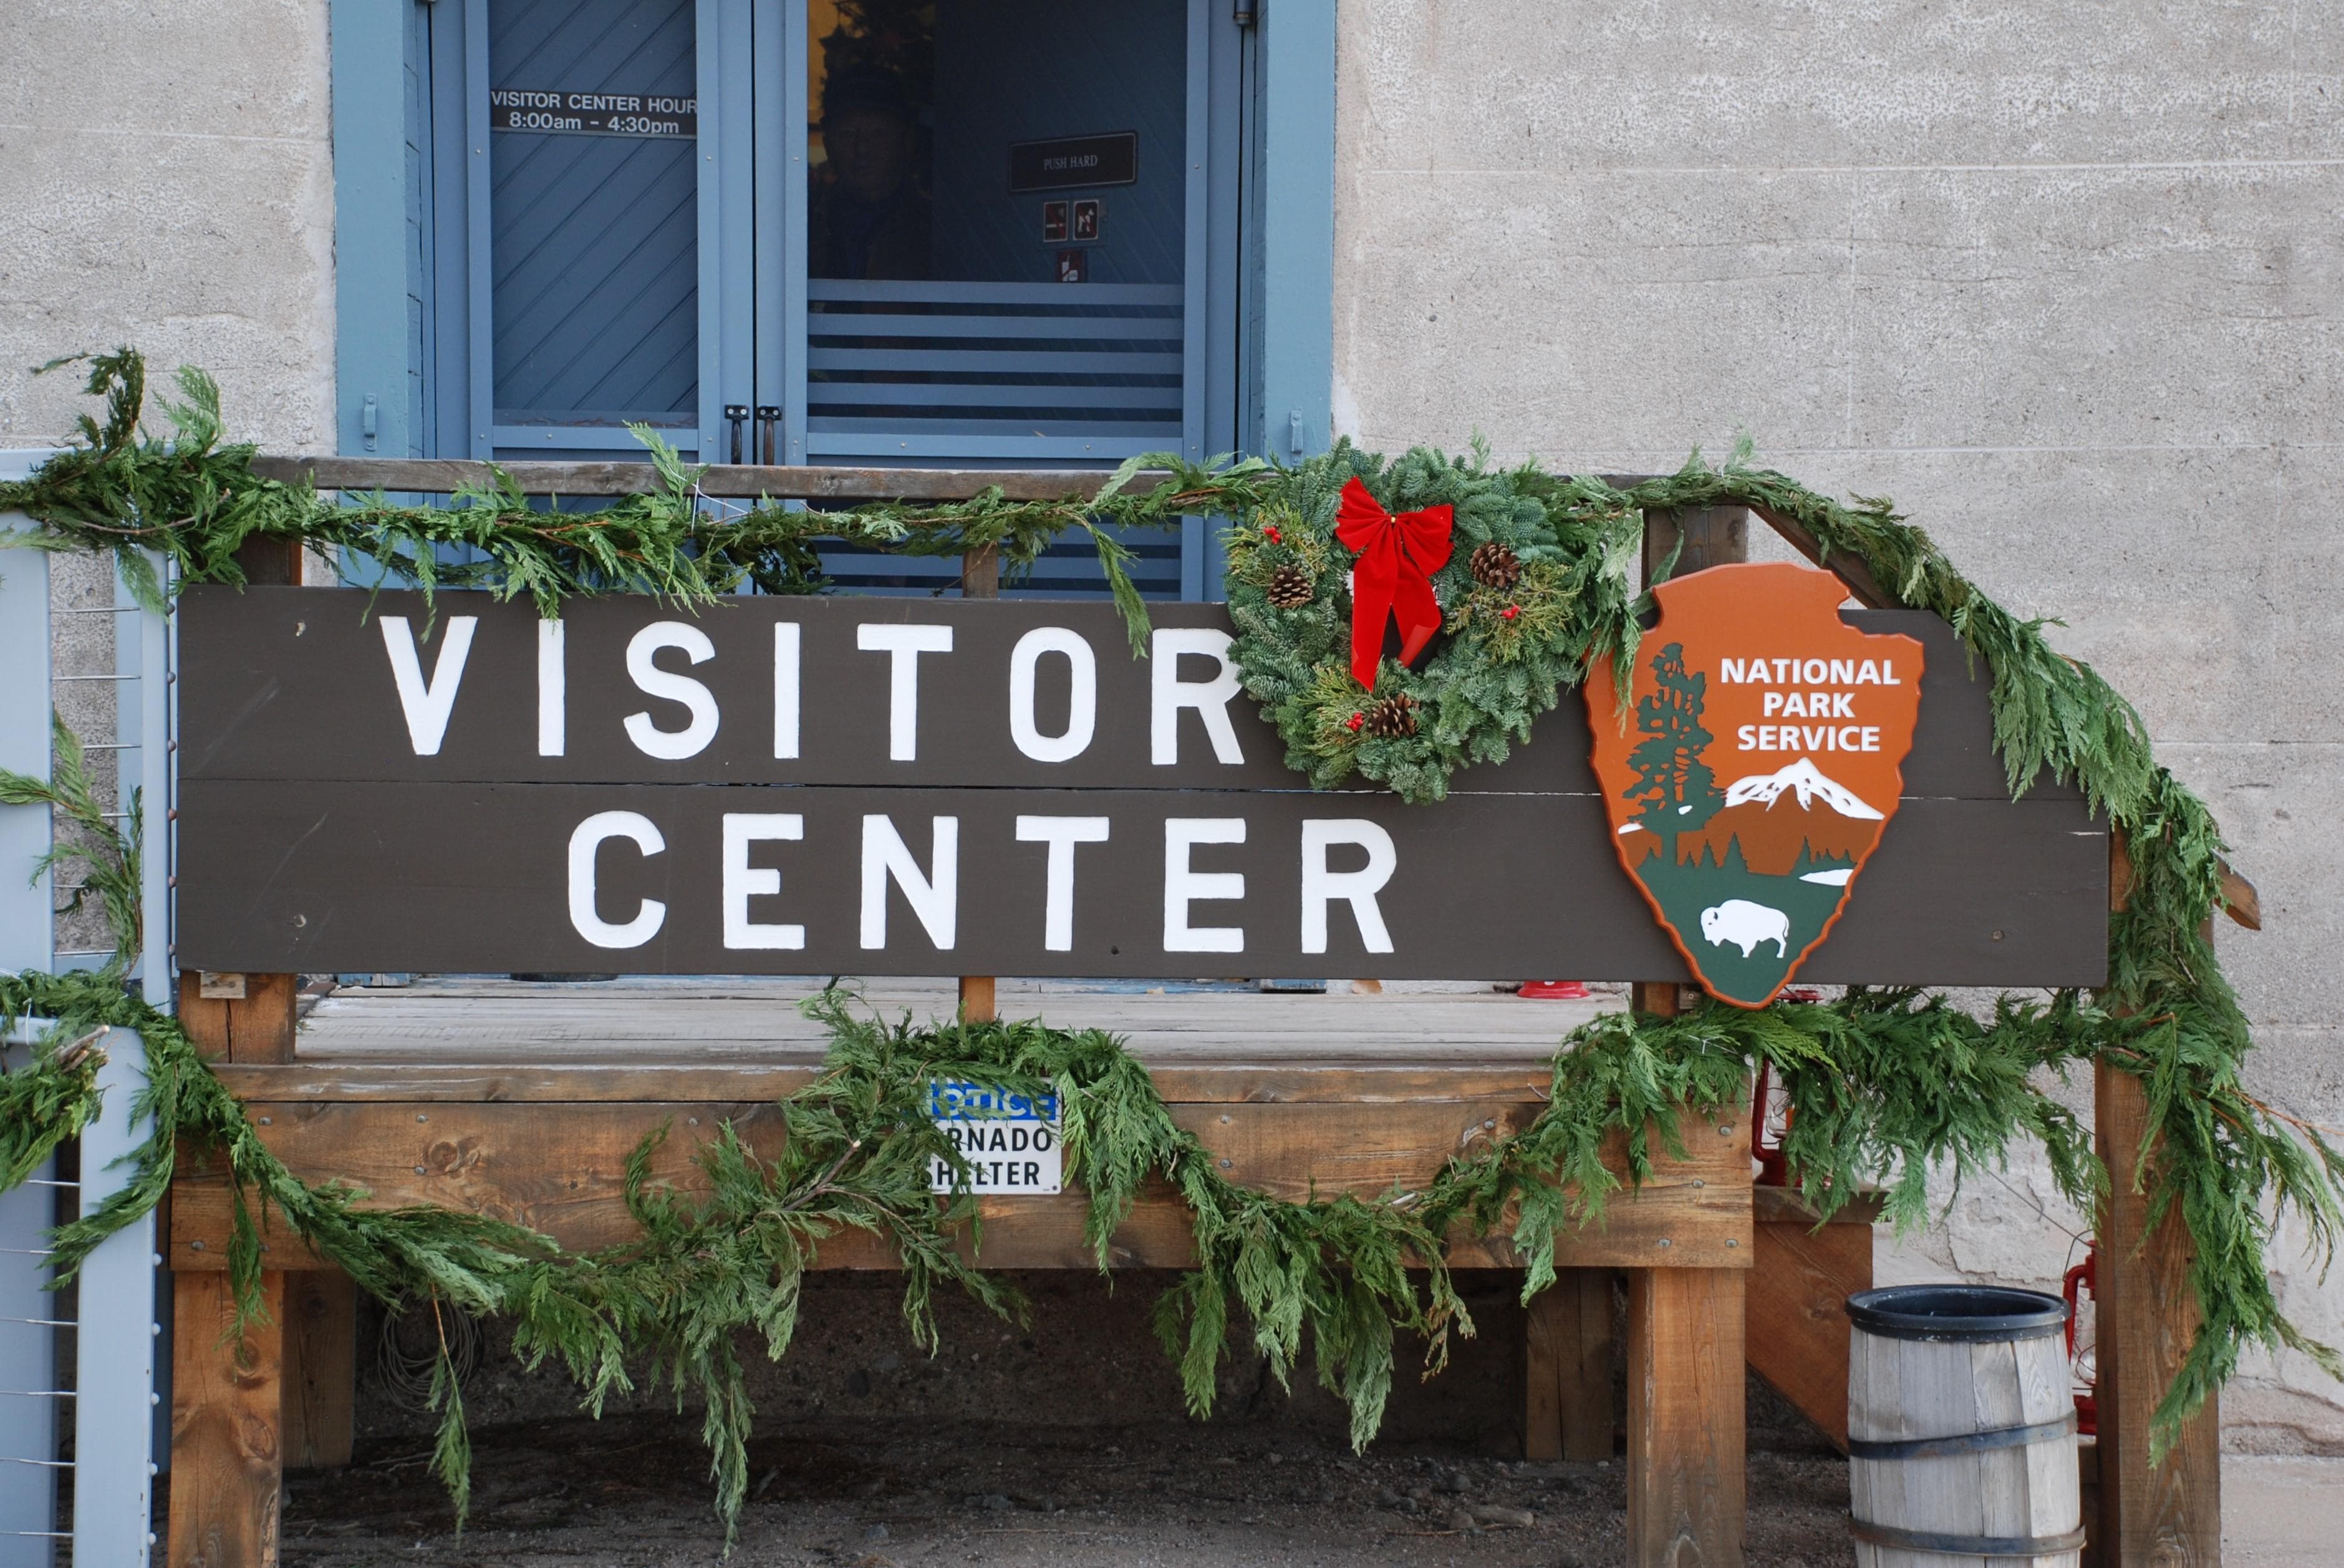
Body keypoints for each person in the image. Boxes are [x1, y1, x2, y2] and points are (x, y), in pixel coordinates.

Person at [809, 62, 931, 281]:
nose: (862, 149)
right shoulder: (804, 223)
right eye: (848, 134)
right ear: (829, 146)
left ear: (907, 141)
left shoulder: (937, 226)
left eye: (878, 133)